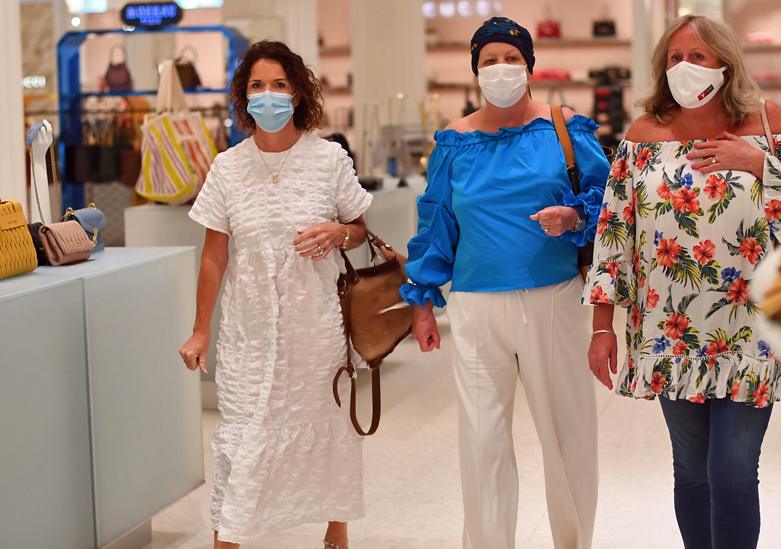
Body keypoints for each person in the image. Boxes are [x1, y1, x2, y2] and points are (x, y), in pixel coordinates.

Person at [586, 15, 781, 549]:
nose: (684, 68)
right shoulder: (644, 135)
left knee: (732, 471)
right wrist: (603, 327)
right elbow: (614, 233)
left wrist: (760, 164)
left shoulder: (767, 123)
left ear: (725, 63)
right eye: (674, 58)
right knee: (691, 472)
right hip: (668, 334)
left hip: (752, 333)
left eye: (697, 56)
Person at [401, 17, 610, 549]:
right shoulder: (455, 144)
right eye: (489, 60)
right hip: (474, 309)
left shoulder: (565, 128)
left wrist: (574, 216)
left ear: (529, 66)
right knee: (482, 445)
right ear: (475, 70)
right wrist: (423, 302)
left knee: (567, 440)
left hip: (553, 300)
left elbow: (612, 201)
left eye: (510, 59)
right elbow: (437, 224)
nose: (501, 69)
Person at [178, 41, 372, 549]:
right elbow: (214, 254)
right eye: (258, 86)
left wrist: (336, 231)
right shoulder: (228, 167)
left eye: (280, 85)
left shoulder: (329, 159)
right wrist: (201, 328)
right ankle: (231, 534)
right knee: (244, 430)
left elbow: (360, 231)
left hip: (318, 325)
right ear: (244, 96)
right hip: (250, 328)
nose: (269, 95)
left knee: (324, 421)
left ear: (298, 93)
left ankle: (336, 523)